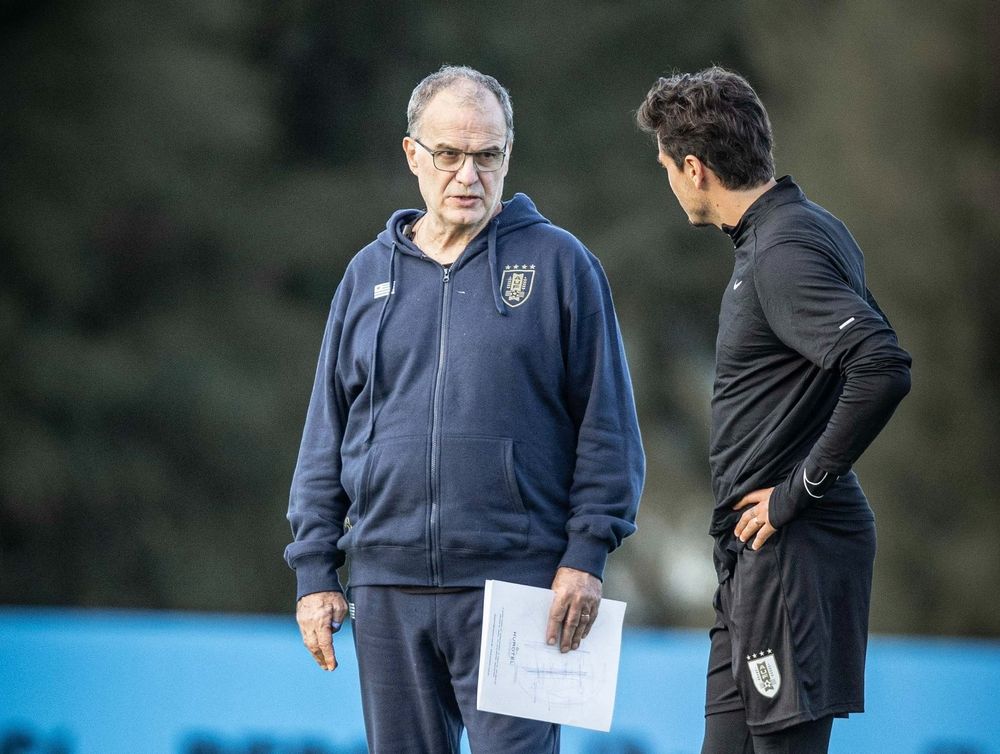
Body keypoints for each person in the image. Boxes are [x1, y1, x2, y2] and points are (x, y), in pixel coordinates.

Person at [285, 65, 644, 754]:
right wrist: (313, 573)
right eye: (449, 154)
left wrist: (586, 556)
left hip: (521, 586)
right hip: (386, 584)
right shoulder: (366, 275)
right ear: (413, 154)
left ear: (509, 155)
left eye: (488, 155)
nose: (468, 175)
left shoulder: (562, 265)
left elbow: (608, 428)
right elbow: (324, 434)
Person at [636, 67, 911, 753]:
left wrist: (800, 491)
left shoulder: (781, 252)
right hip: (758, 556)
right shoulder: (796, 231)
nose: (668, 179)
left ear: (694, 168)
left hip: (791, 549)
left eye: (667, 165)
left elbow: (880, 365)